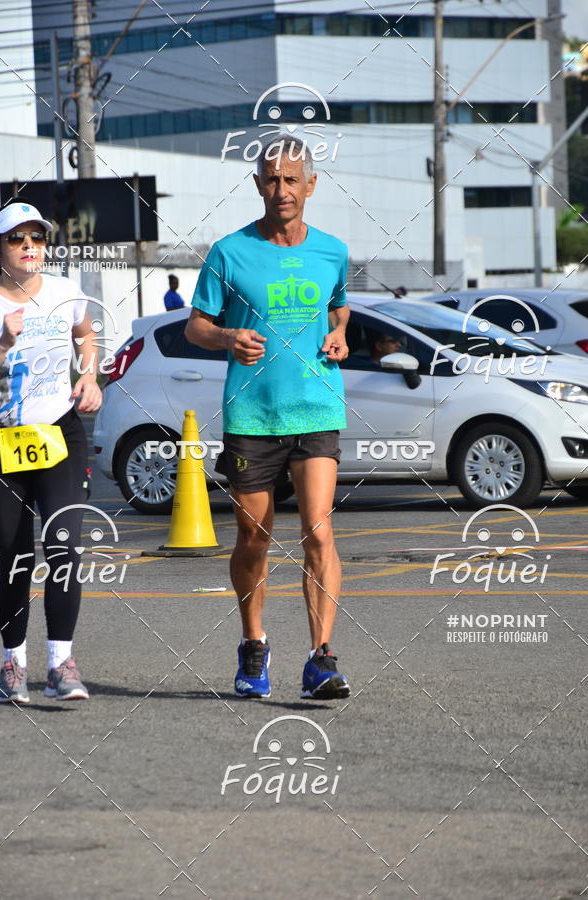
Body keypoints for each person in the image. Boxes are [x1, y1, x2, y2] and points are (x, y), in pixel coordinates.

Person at [186, 136, 351, 701]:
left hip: (317, 404)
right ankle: (253, 643)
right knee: (253, 538)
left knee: (319, 532)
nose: (282, 189)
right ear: (258, 185)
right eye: (271, 179)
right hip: (253, 415)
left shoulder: (332, 250)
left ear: (310, 184)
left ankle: (321, 659)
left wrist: (340, 332)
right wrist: (229, 336)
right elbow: (195, 326)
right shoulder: (229, 252)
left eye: (291, 179)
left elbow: (339, 303)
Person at [0, 199, 102, 703]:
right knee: (14, 554)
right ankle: (14, 664)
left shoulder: (63, 291)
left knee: (63, 547)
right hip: (1, 440)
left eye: (37, 237)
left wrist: (90, 376)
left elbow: (86, 334)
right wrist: (1, 346)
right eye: (17, 238)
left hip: (59, 433)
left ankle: (61, 664)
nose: (30, 246)